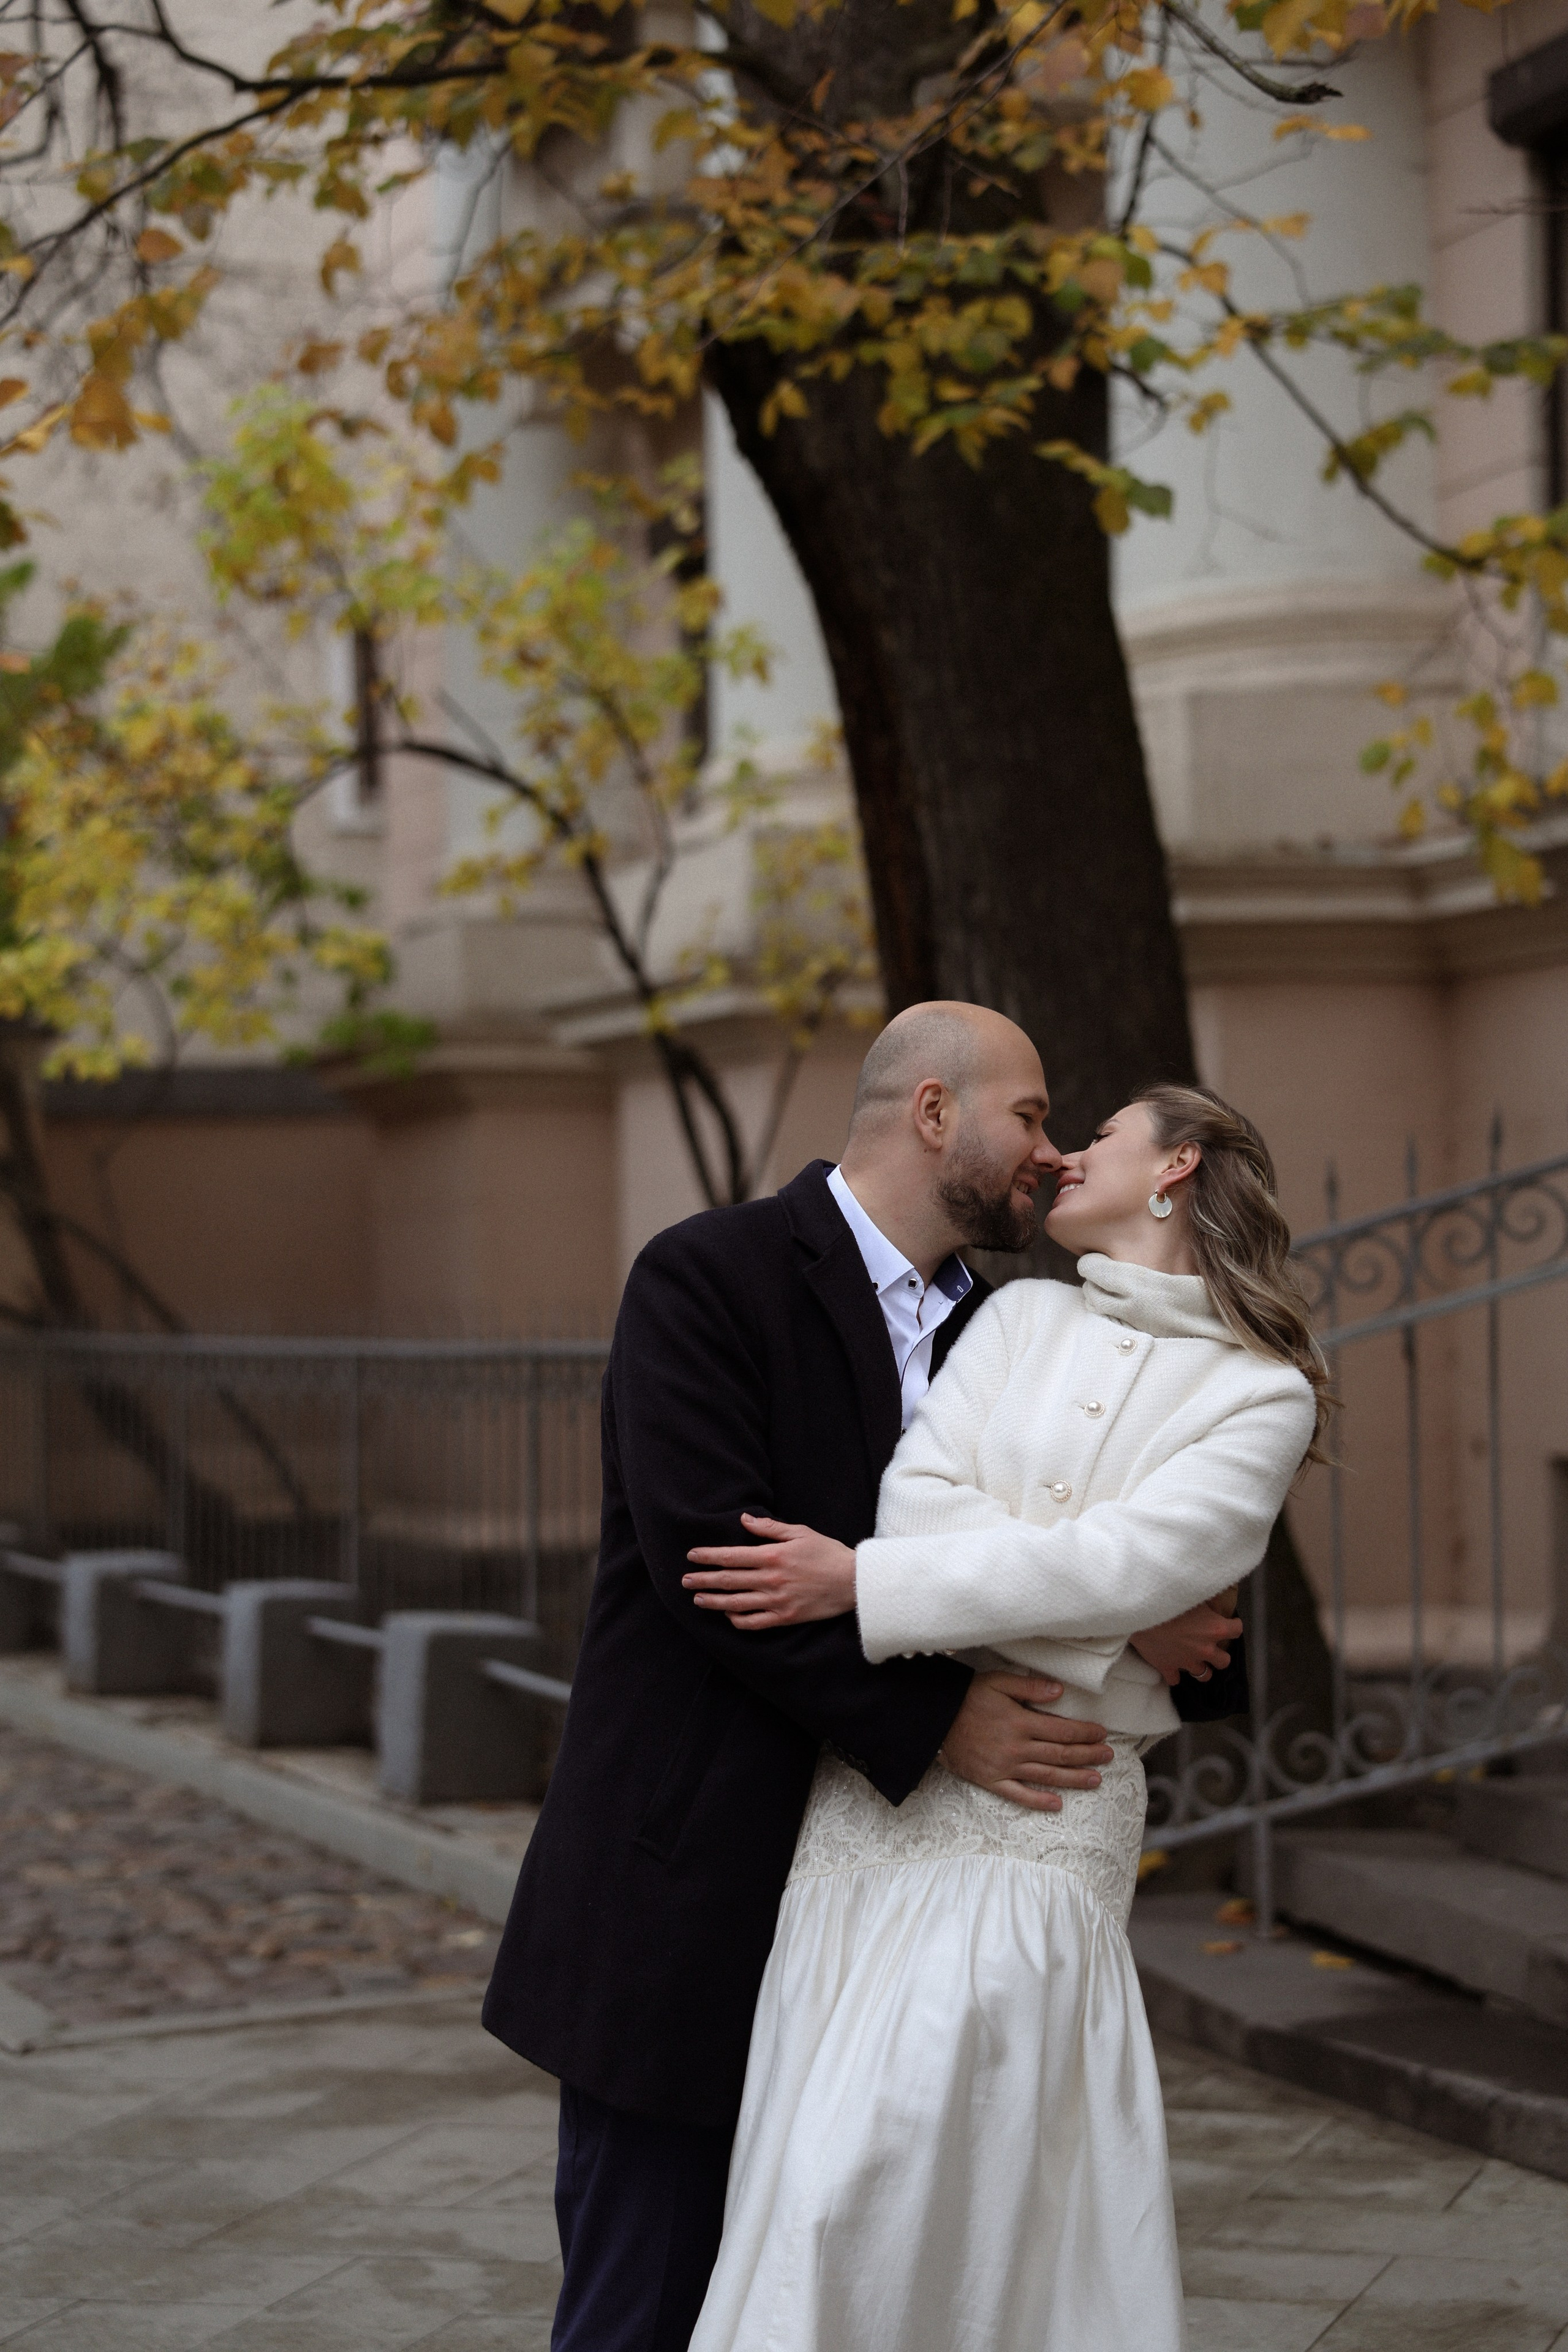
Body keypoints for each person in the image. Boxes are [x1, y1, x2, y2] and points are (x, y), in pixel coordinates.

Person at [484, 1004, 1176, 2352]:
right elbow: (715, 1574)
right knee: (647, 2298)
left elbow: (1092, 1537)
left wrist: (1170, 1622)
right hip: (696, 1895)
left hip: (899, 1927)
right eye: (1028, 1117)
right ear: (932, 1113)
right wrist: (940, 1721)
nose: (1045, 1151)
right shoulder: (707, 1277)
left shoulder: (1020, 1332)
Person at [681, 1082, 1329, 2352]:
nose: (1062, 1157)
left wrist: (867, 1583)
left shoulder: (1263, 1395)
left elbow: (1129, 1565)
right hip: (870, 1815)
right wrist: (1089, 1600)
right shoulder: (1017, 1315)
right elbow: (921, 1508)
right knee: (813, 2171)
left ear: (1174, 1167)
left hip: (1051, 1806)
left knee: (924, 2181)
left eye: (1097, 1139)